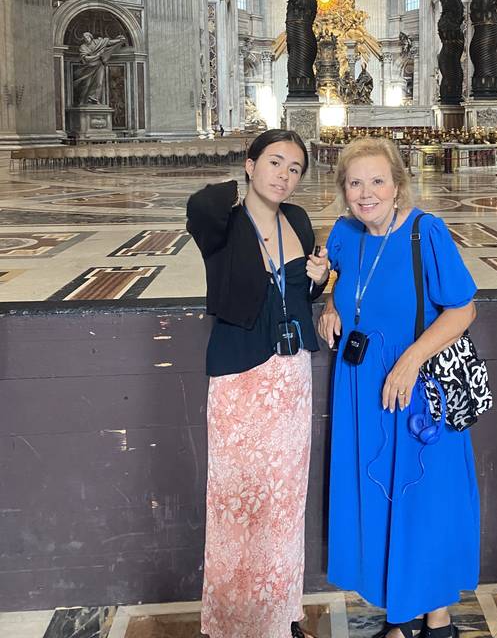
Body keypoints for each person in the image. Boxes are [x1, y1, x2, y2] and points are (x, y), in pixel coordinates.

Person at [318, 137, 479, 638]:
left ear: (398, 185)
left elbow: (463, 309)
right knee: (381, 497)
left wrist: (411, 360)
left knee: (421, 498)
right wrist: (329, 306)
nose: (366, 193)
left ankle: (426, 617)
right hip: (360, 388)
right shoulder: (344, 234)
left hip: (412, 389)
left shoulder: (424, 232)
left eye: (377, 181)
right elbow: (340, 280)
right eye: (354, 183)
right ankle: (417, 615)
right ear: (344, 190)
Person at [186, 129, 330, 638]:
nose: (284, 176)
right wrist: (245, 187)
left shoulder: (298, 219)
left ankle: (280, 618)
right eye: (274, 163)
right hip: (239, 375)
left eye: (294, 169)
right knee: (237, 505)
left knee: (284, 506)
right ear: (250, 164)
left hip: (290, 377)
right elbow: (197, 203)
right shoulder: (221, 219)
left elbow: (297, 294)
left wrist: (316, 279)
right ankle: (231, 626)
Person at [73, 31, 125, 105]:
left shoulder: (98, 42)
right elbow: (86, 58)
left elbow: (109, 42)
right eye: (84, 38)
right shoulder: (83, 47)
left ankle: (95, 98)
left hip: (99, 65)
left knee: (99, 83)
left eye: (87, 37)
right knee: (86, 85)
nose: (86, 39)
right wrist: (97, 56)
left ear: (90, 37)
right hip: (88, 68)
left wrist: (119, 40)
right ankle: (82, 101)